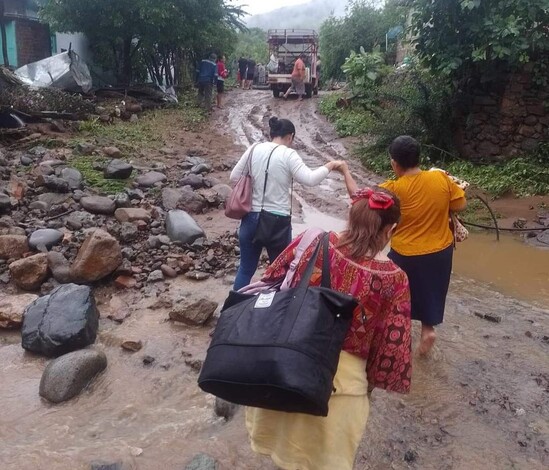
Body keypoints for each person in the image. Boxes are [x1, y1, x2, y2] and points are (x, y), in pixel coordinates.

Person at [246, 188, 412, 470]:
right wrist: (370, 384)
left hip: (286, 363)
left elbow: (271, 280)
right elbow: (389, 356)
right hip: (341, 389)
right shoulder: (394, 280)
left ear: (351, 215)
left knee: (283, 449)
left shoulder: (313, 242)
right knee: (321, 460)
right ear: (391, 229)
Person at [339, 136, 467, 355]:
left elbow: (358, 198)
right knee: (432, 293)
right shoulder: (441, 179)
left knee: (398, 301)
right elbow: (460, 204)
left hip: (406, 254)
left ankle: (399, 342)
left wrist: (345, 172)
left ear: (394, 164)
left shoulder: (391, 190)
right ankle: (428, 331)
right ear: (419, 158)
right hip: (440, 253)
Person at [230, 117, 344, 290]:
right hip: (277, 222)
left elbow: (234, 177)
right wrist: (330, 165)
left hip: (251, 218)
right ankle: (276, 310)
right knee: (281, 272)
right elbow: (310, 179)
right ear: (290, 137)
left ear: (272, 133)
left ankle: (232, 309)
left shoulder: (254, 148)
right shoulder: (288, 154)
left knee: (245, 269)